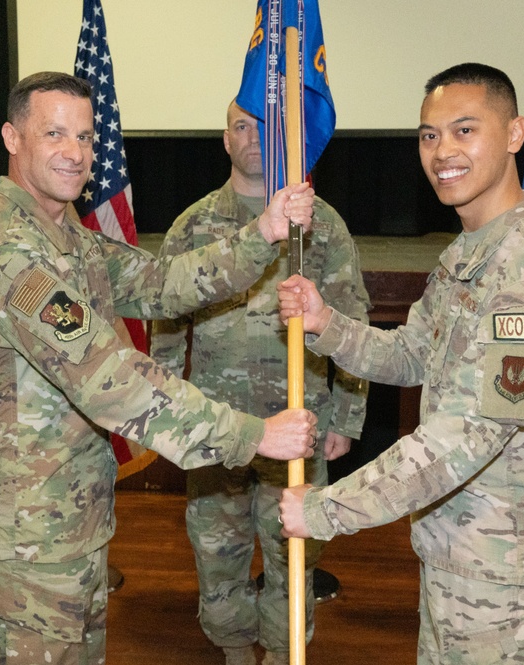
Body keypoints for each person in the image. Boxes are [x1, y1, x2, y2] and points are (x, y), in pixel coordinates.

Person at [0, 71, 321, 665]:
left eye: (86, 137)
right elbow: (109, 379)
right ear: (13, 138)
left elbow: (163, 284)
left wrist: (262, 233)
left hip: (73, 517)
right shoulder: (6, 253)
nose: (76, 152)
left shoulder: (68, 238)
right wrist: (252, 434)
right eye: (55, 134)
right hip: (31, 533)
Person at [277, 63, 524, 664]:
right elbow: (412, 354)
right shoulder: (467, 254)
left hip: (503, 570)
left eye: (464, 130)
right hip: (456, 545)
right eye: (429, 135)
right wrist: (328, 326)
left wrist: (328, 509)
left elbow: (470, 436)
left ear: (514, 134)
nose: (442, 151)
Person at [151, 101, 370, 665]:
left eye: (264, 128)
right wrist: (165, 412)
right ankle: (232, 646)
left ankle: (282, 648)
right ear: (225, 139)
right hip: (215, 427)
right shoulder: (193, 226)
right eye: (241, 128)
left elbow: (351, 318)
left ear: (283, 140)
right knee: (216, 548)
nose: (252, 139)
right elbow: (168, 321)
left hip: (298, 422)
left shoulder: (322, 224)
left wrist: (346, 417)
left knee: (293, 550)